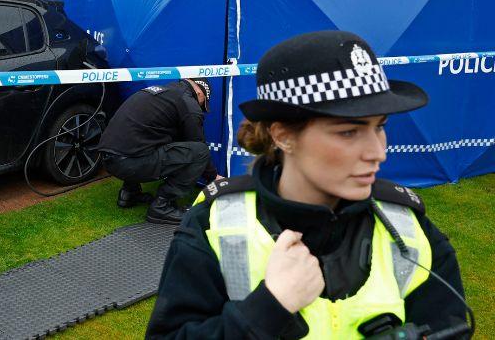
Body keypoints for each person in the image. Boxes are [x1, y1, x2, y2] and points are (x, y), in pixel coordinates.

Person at [146, 31, 467, 339]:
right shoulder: (212, 227)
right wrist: (267, 309)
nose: (378, 152)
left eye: (379, 127)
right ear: (283, 135)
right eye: (349, 132)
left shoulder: (409, 230)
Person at [96, 78, 221, 225]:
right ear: (200, 93)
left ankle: (129, 193)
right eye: (202, 104)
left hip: (107, 158)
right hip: (129, 162)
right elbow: (199, 147)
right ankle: (162, 206)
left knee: (145, 140)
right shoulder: (188, 104)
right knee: (200, 152)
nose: (200, 109)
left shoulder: (161, 93)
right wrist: (213, 177)